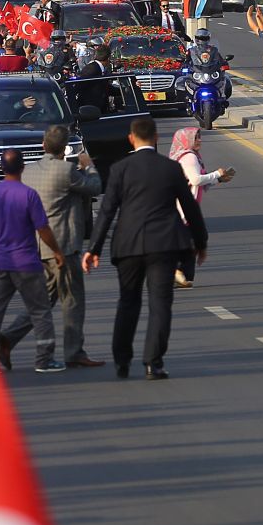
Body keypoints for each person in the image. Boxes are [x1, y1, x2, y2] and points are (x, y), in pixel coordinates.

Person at [84, 116, 208, 380]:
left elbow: (107, 211)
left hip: (127, 245)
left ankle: (122, 361)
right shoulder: (170, 168)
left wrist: (93, 248)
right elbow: (190, 208)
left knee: (128, 301)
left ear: (131, 138)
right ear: (156, 138)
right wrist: (200, 243)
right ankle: (154, 363)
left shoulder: (120, 169)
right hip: (164, 245)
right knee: (160, 304)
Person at [0, 126, 103, 369]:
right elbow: (95, 187)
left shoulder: (31, 171)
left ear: (44, 145)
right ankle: (74, 351)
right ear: (64, 148)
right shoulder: (67, 170)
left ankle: (7, 337)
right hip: (63, 246)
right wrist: (88, 165)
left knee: (43, 300)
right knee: (72, 300)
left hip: (37, 244)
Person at [0, 148, 67, 374]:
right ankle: (44, 359)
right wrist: (56, 251)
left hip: (0, 261)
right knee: (40, 310)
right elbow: (42, 228)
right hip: (26, 261)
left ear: (1, 168)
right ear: (22, 168)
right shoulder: (28, 194)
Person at [168, 128, 235, 283]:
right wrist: (217, 174)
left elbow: (196, 183)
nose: (199, 140)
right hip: (185, 208)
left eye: (199, 137)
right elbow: (196, 180)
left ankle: (183, 276)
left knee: (191, 240)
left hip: (184, 207)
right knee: (193, 239)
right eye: (196, 138)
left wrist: (218, 180)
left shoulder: (187, 156)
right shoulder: (190, 157)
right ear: (186, 140)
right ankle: (178, 271)